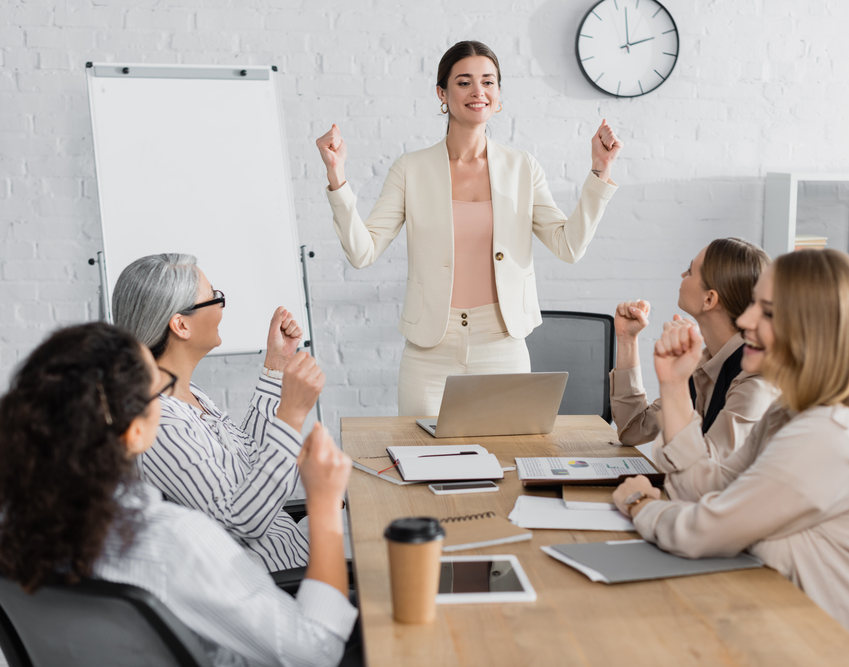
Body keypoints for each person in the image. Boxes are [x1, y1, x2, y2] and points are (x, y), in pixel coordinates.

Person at [612, 249, 849, 667]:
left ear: (814, 332)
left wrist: (639, 505)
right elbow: (704, 487)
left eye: (767, 312)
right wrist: (674, 384)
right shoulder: (791, 413)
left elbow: (702, 530)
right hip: (813, 633)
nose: (746, 321)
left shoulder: (831, 433)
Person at [0, 322, 356, 667]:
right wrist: (323, 506)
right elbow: (318, 652)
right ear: (135, 433)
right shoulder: (176, 540)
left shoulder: (6, 534)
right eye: (159, 388)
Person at [315, 40, 623, 416]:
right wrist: (337, 177)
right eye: (464, 82)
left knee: (506, 464)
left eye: (488, 82)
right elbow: (363, 252)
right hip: (429, 352)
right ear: (442, 94)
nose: (478, 91)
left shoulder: (522, 167)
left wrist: (599, 172)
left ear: (498, 95)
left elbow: (569, 246)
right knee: (424, 462)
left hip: (501, 346)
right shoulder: (411, 168)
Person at [112, 253, 325, 572]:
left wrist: (275, 366)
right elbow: (242, 520)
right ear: (180, 325)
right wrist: (291, 417)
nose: (221, 306)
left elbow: (248, 463)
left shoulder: (186, 394)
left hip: (295, 566)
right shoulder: (160, 424)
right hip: (275, 590)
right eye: (214, 298)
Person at [610, 238, 777, 465]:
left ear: (709, 299)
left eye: (689, 271)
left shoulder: (755, 381)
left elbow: (705, 476)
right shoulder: (705, 364)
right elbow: (633, 429)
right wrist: (627, 339)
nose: (682, 275)